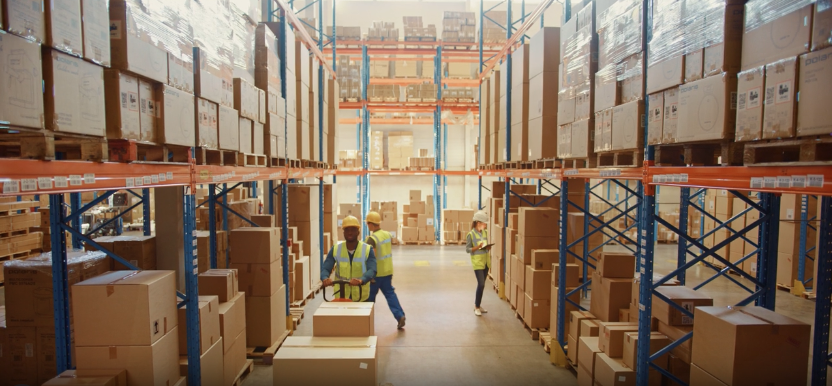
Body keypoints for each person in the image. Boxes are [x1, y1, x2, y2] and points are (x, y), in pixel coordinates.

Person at [365, 211, 406, 329]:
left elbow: (372, 256)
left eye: (368, 224)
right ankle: (399, 316)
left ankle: (365, 320)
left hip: (376, 274)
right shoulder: (387, 234)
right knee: (390, 294)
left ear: (371, 224)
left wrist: (369, 273)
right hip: (388, 271)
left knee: (369, 298)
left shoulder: (372, 239)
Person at [321, 215, 376, 302]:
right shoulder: (336, 249)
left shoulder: (367, 249)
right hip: (341, 296)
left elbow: (372, 270)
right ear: (343, 232)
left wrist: (361, 280)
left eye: (353, 230)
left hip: (360, 297)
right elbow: (326, 268)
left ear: (358, 232)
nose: (350, 232)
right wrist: (325, 278)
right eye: (347, 230)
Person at [466, 210, 492, 316]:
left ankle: (478, 304)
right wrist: (478, 247)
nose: (485, 225)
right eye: (484, 223)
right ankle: (476, 307)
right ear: (478, 223)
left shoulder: (484, 232)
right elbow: (468, 249)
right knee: (481, 284)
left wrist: (487, 247)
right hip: (477, 263)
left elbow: (484, 246)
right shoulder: (470, 235)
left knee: (482, 285)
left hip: (486, 262)